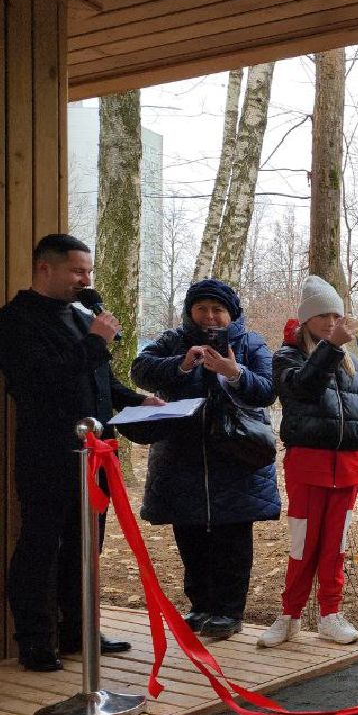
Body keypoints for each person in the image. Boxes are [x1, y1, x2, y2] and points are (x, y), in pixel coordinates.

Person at [0, 234, 157, 671]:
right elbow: (41, 381)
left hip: (95, 455)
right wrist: (93, 342)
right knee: (42, 545)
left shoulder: (81, 316)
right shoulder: (16, 321)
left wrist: (135, 399)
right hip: (49, 454)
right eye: (76, 271)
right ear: (44, 269)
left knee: (87, 545)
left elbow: (97, 380)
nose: (85, 279)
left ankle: (78, 631)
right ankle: (34, 639)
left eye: (88, 271)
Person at [132, 278, 281, 641]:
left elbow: (268, 390)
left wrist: (234, 373)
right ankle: (200, 605)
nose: (210, 318)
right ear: (190, 312)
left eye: (218, 310)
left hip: (236, 456)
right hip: (181, 457)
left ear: (231, 314)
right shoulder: (172, 341)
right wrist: (181, 365)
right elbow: (140, 369)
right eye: (202, 310)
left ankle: (229, 612)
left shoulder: (250, 342)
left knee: (232, 536)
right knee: (190, 533)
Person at [259, 277, 358, 648]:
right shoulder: (288, 356)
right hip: (308, 466)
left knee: (335, 545)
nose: (331, 321)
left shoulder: (352, 361)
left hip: (347, 467)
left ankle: (331, 613)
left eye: (336, 314)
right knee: (303, 545)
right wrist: (330, 347)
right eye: (323, 315)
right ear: (307, 319)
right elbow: (302, 388)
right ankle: (290, 615)